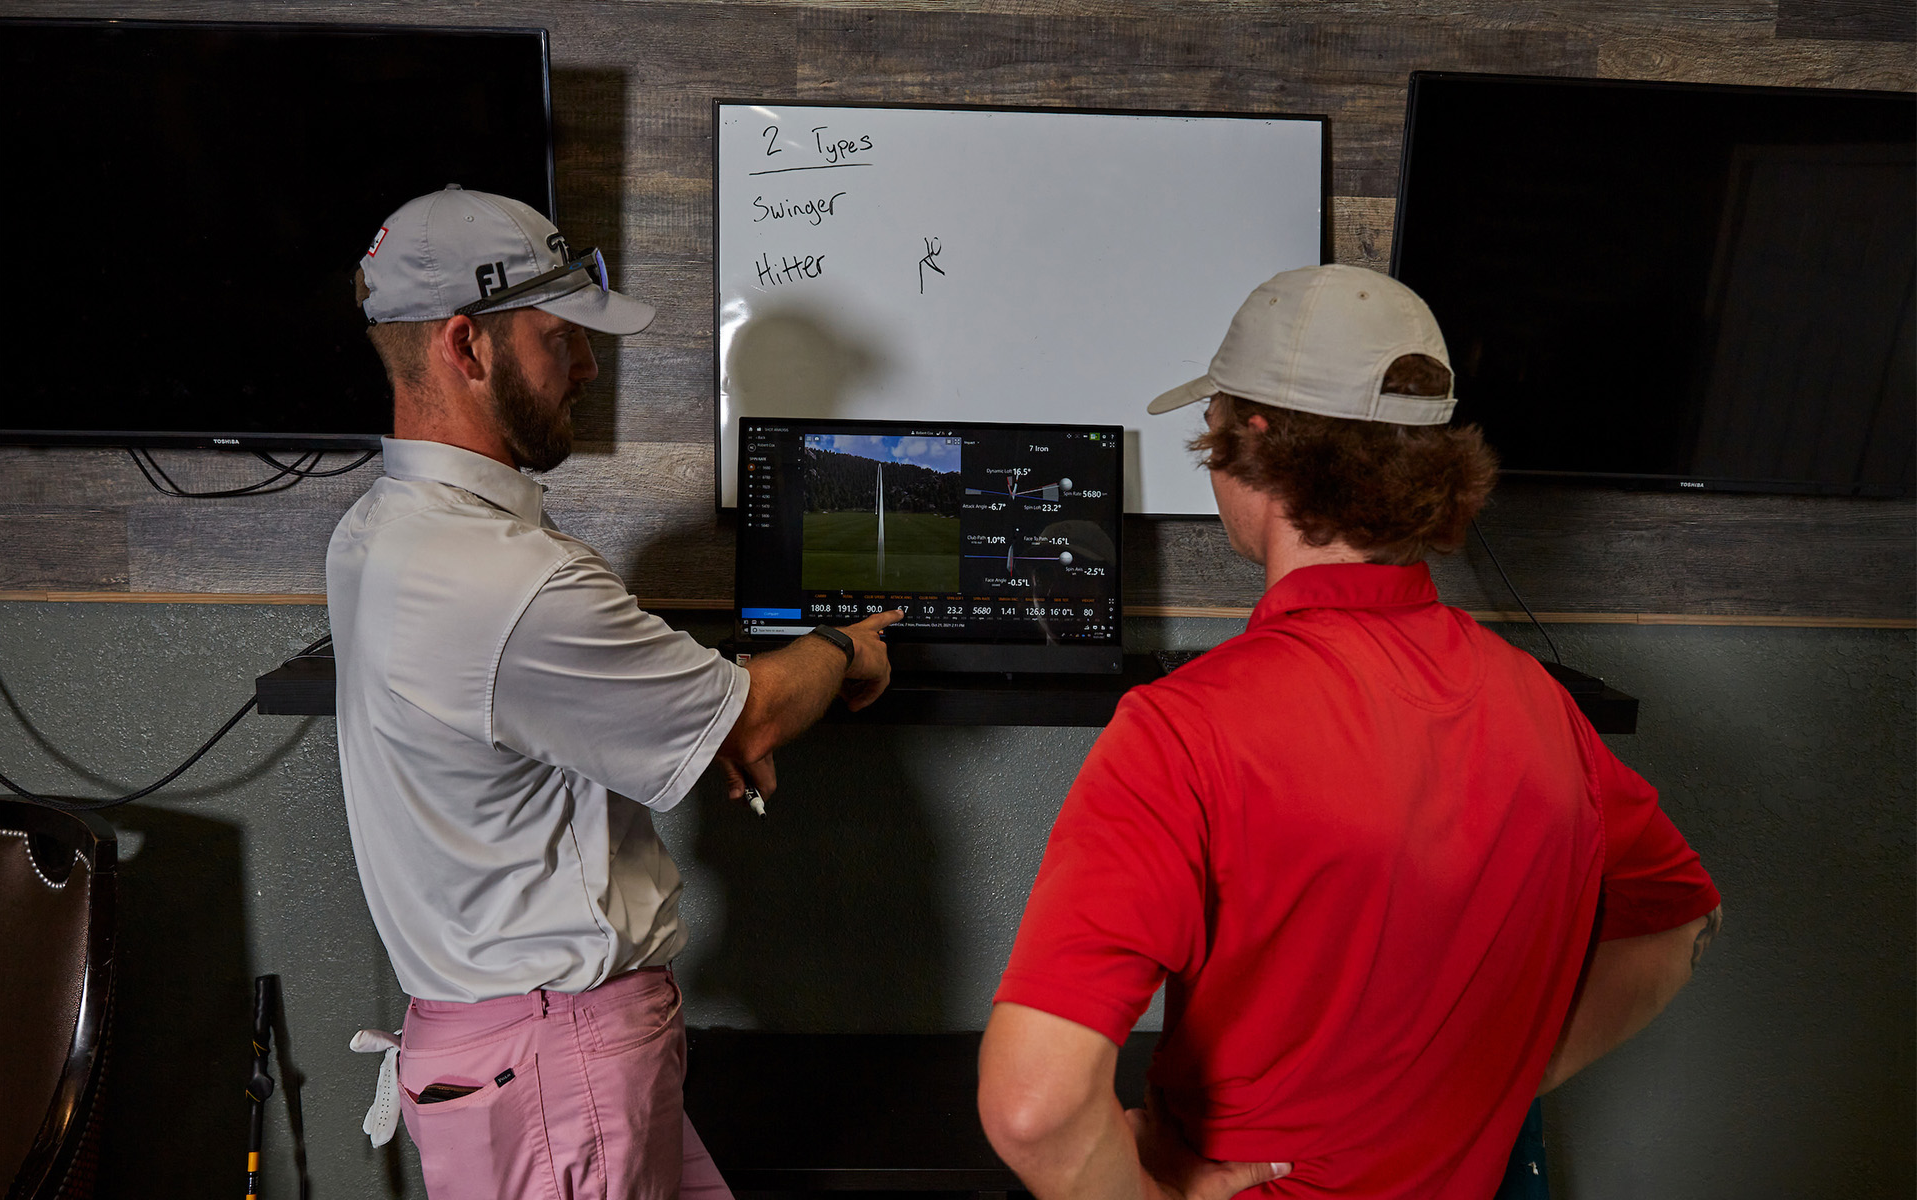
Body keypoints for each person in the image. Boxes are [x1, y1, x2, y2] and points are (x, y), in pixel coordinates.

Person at [976, 264, 1722, 1200]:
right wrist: (1485, 1094)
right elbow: (1680, 922)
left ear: (1253, 438)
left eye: (1213, 418)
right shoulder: (1543, 707)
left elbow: (1034, 1109)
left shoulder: (1184, 729)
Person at [328, 185, 898, 1200]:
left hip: (505, 1047)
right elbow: (756, 714)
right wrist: (843, 649)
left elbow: (538, 721)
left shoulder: (379, 531)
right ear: (466, 346)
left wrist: (688, 719)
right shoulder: (508, 580)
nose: (590, 367)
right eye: (562, 340)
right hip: (559, 1062)